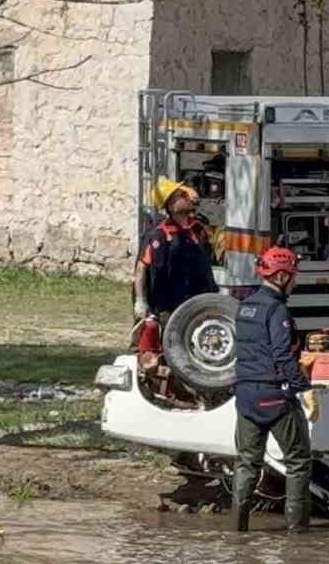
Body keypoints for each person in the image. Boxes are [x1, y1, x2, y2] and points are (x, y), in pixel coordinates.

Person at [232, 246, 313, 533]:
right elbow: (282, 354)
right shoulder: (277, 309)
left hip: (245, 396)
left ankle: (238, 530)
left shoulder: (246, 306)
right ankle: (297, 533)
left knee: (246, 463)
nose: (296, 281)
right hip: (273, 396)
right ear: (280, 276)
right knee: (299, 461)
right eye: (293, 275)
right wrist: (303, 388)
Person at [134, 177, 218, 326]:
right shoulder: (159, 235)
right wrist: (141, 300)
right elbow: (141, 268)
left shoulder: (198, 230)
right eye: (180, 196)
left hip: (199, 300)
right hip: (169, 307)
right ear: (171, 206)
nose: (186, 197)